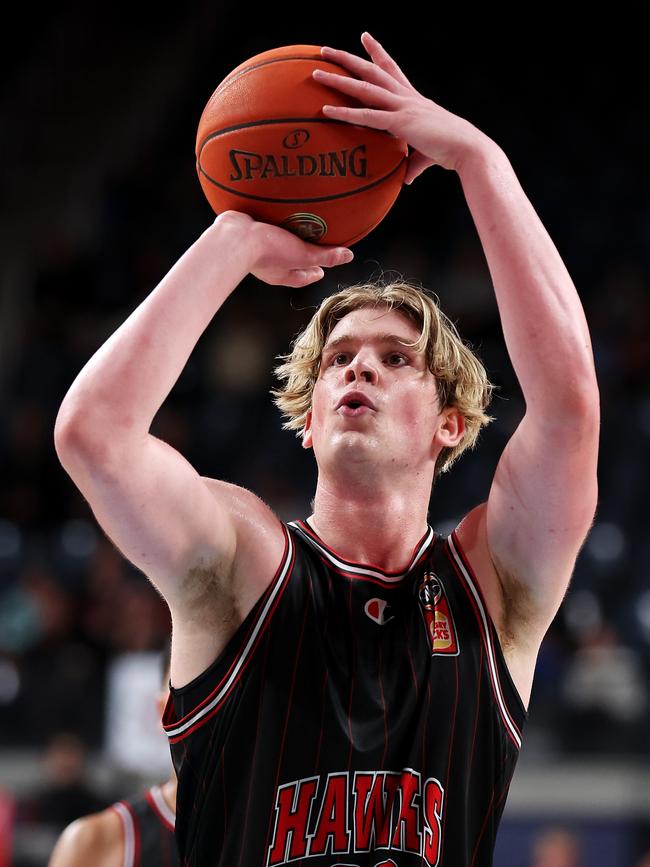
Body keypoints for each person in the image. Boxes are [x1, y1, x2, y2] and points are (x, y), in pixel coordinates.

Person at [53, 31, 600, 867]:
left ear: (451, 422)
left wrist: (480, 161)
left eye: (394, 359)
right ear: (306, 421)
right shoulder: (242, 562)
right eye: (339, 359)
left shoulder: (496, 585)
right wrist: (231, 240)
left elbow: (567, 409)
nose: (360, 370)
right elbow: (94, 432)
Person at [47, 642, 179, 867]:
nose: (209, 705)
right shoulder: (92, 845)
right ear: (162, 710)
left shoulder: (258, 832)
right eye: (191, 690)